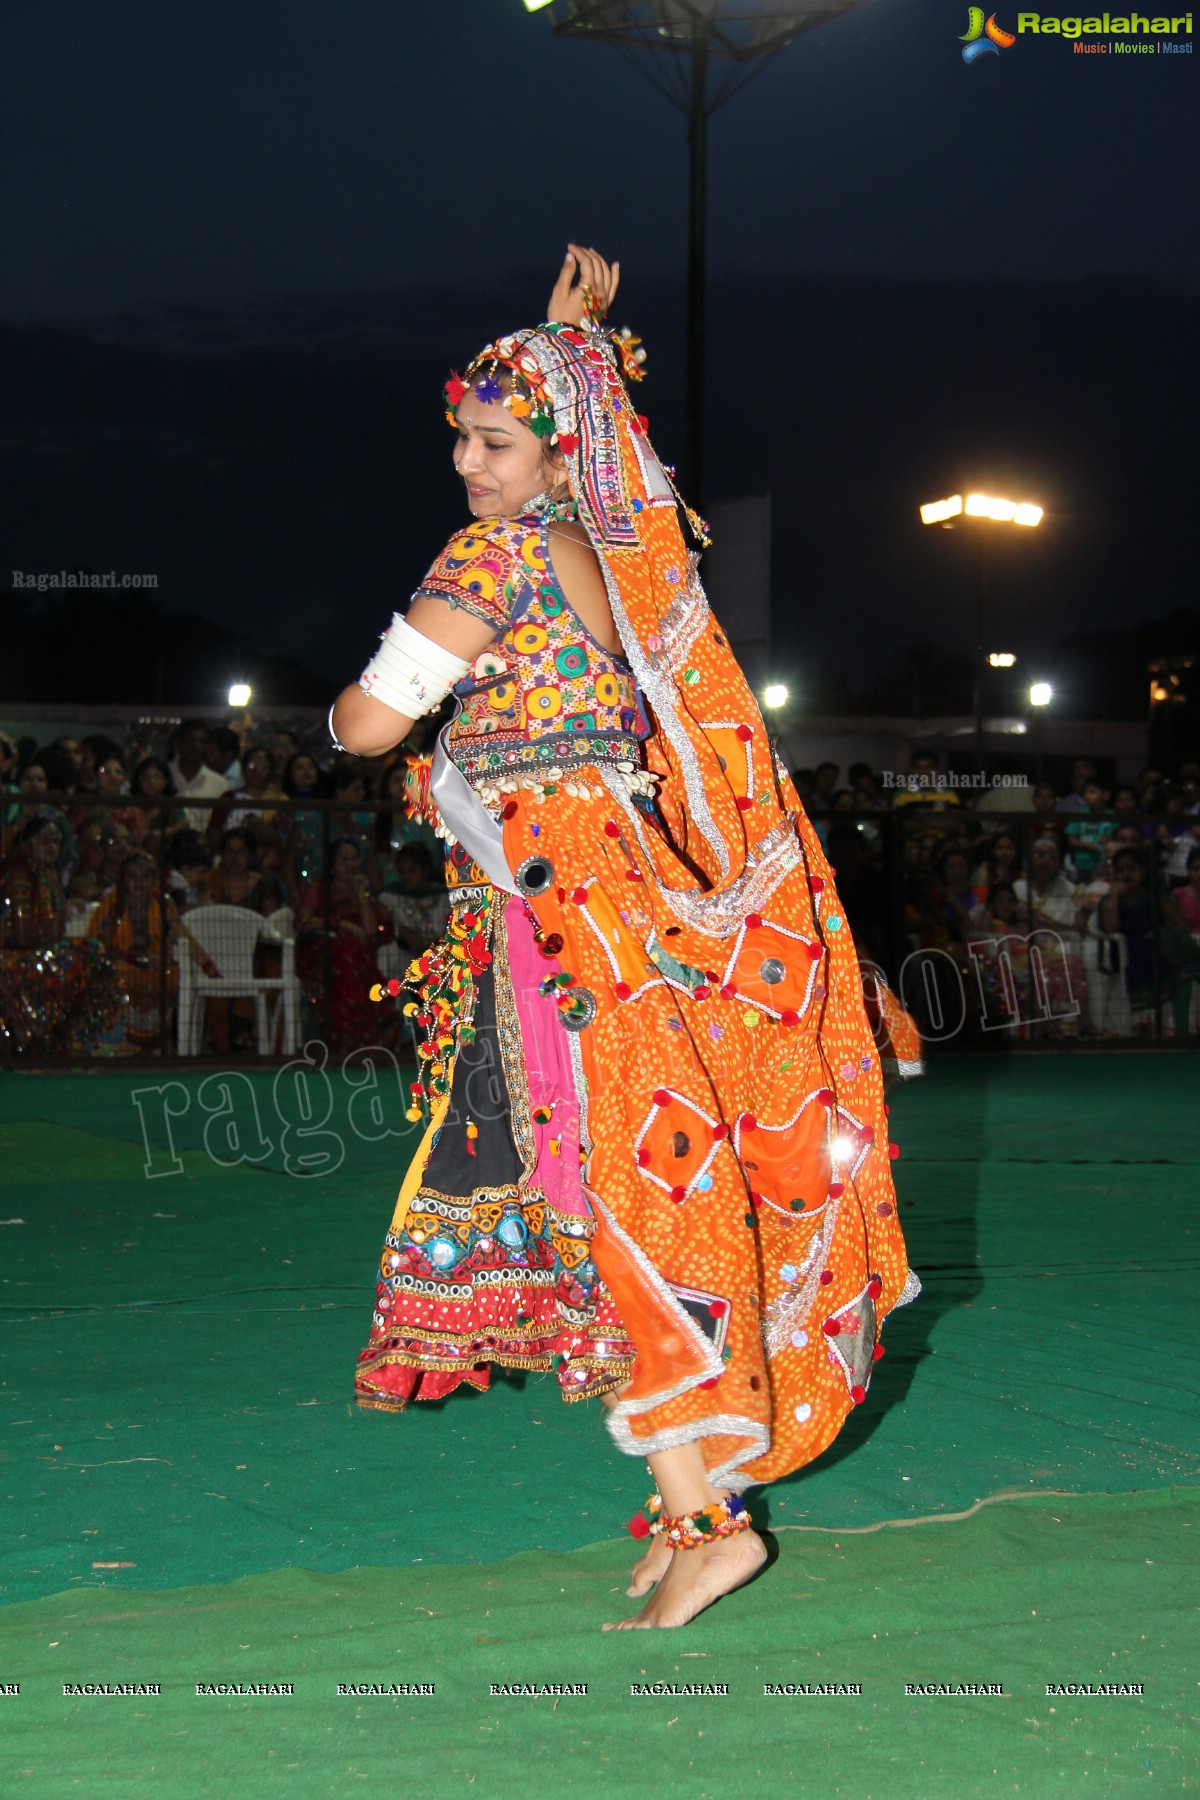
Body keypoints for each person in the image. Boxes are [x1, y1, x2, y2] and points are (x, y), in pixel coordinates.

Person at [331, 248, 916, 1631]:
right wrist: (566, 336)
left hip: (564, 926)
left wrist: (348, 708)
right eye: (462, 442)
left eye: (495, 442)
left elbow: (370, 724)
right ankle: (681, 1501)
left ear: (550, 454)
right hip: (621, 901)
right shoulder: (611, 560)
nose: (471, 466)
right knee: (627, 1193)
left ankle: (711, 1521)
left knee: (612, 1203)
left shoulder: (490, 556)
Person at [168, 720, 230, 831]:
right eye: (191, 741)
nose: (196, 746)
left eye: (203, 742)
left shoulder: (219, 784)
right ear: (178, 743)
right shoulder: (163, 774)